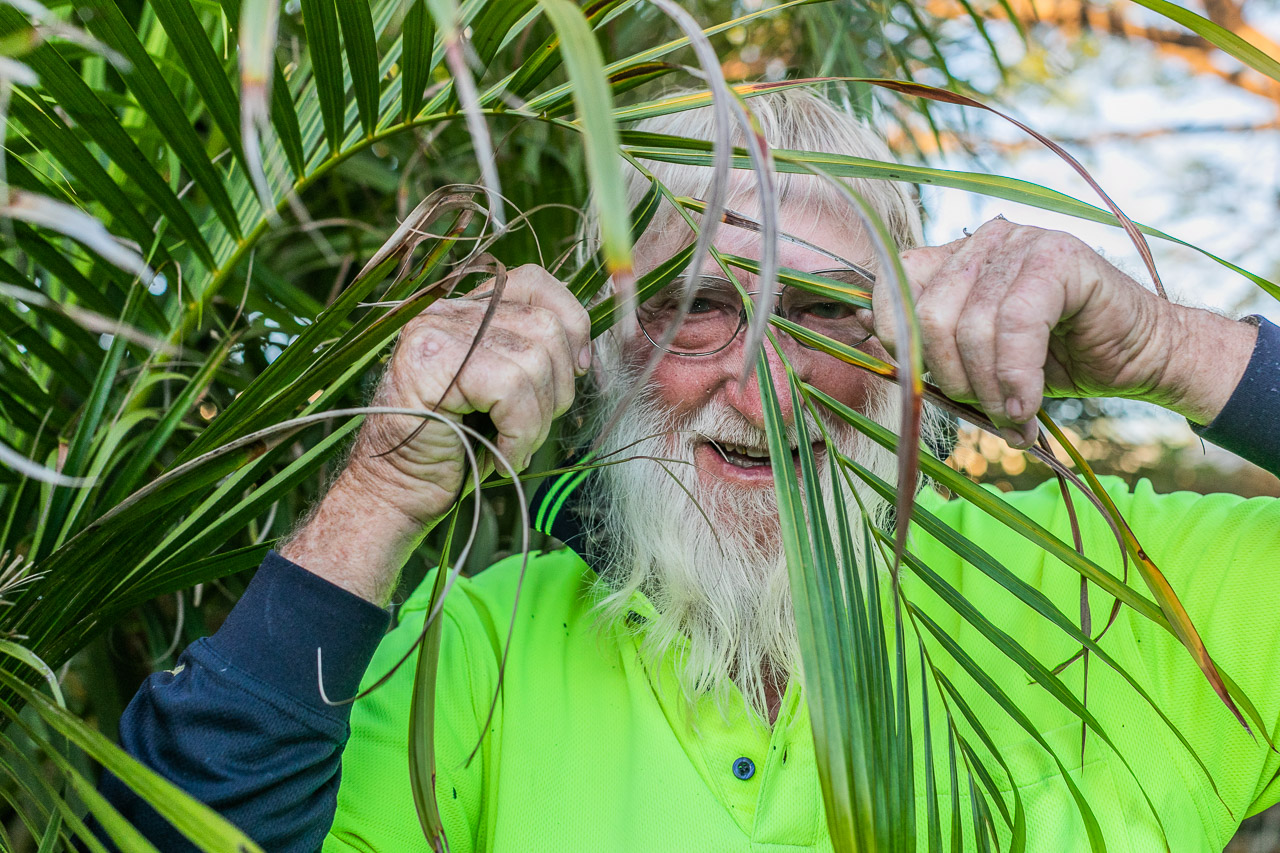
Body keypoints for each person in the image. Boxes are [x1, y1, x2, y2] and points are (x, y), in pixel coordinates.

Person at [102, 90, 1280, 852]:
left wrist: (1162, 348)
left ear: (908, 348)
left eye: (822, 316)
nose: (763, 383)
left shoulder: (1108, 586)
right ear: (602, 350)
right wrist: (381, 492)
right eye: (703, 311)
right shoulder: (475, 648)